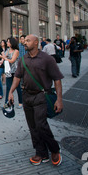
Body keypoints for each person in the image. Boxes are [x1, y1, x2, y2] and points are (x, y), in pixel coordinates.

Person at [8, 34, 64, 166]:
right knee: (32, 127)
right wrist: (10, 92)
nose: (24, 43)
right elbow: (17, 77)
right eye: (24, 41)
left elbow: (57, 79)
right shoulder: (23, 59)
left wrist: (59, 99)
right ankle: (41, 152)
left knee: (41, 125)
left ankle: (54, 149)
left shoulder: (47, 59)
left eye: (28, 40)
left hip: (41, 96)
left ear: (36, 43)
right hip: (26, 95)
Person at [0, 37, 21, 108]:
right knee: (8, 87)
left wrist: (4, 58)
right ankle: (7, 103)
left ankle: (21, 102)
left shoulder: (16, 51)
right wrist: (1, 56)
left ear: (12, 43)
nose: (7, 43)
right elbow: (5, 57)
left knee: (17, 87)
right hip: (8, 71)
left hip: (15, 71)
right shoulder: (8, 50)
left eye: (8, 42)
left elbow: (12, 60)